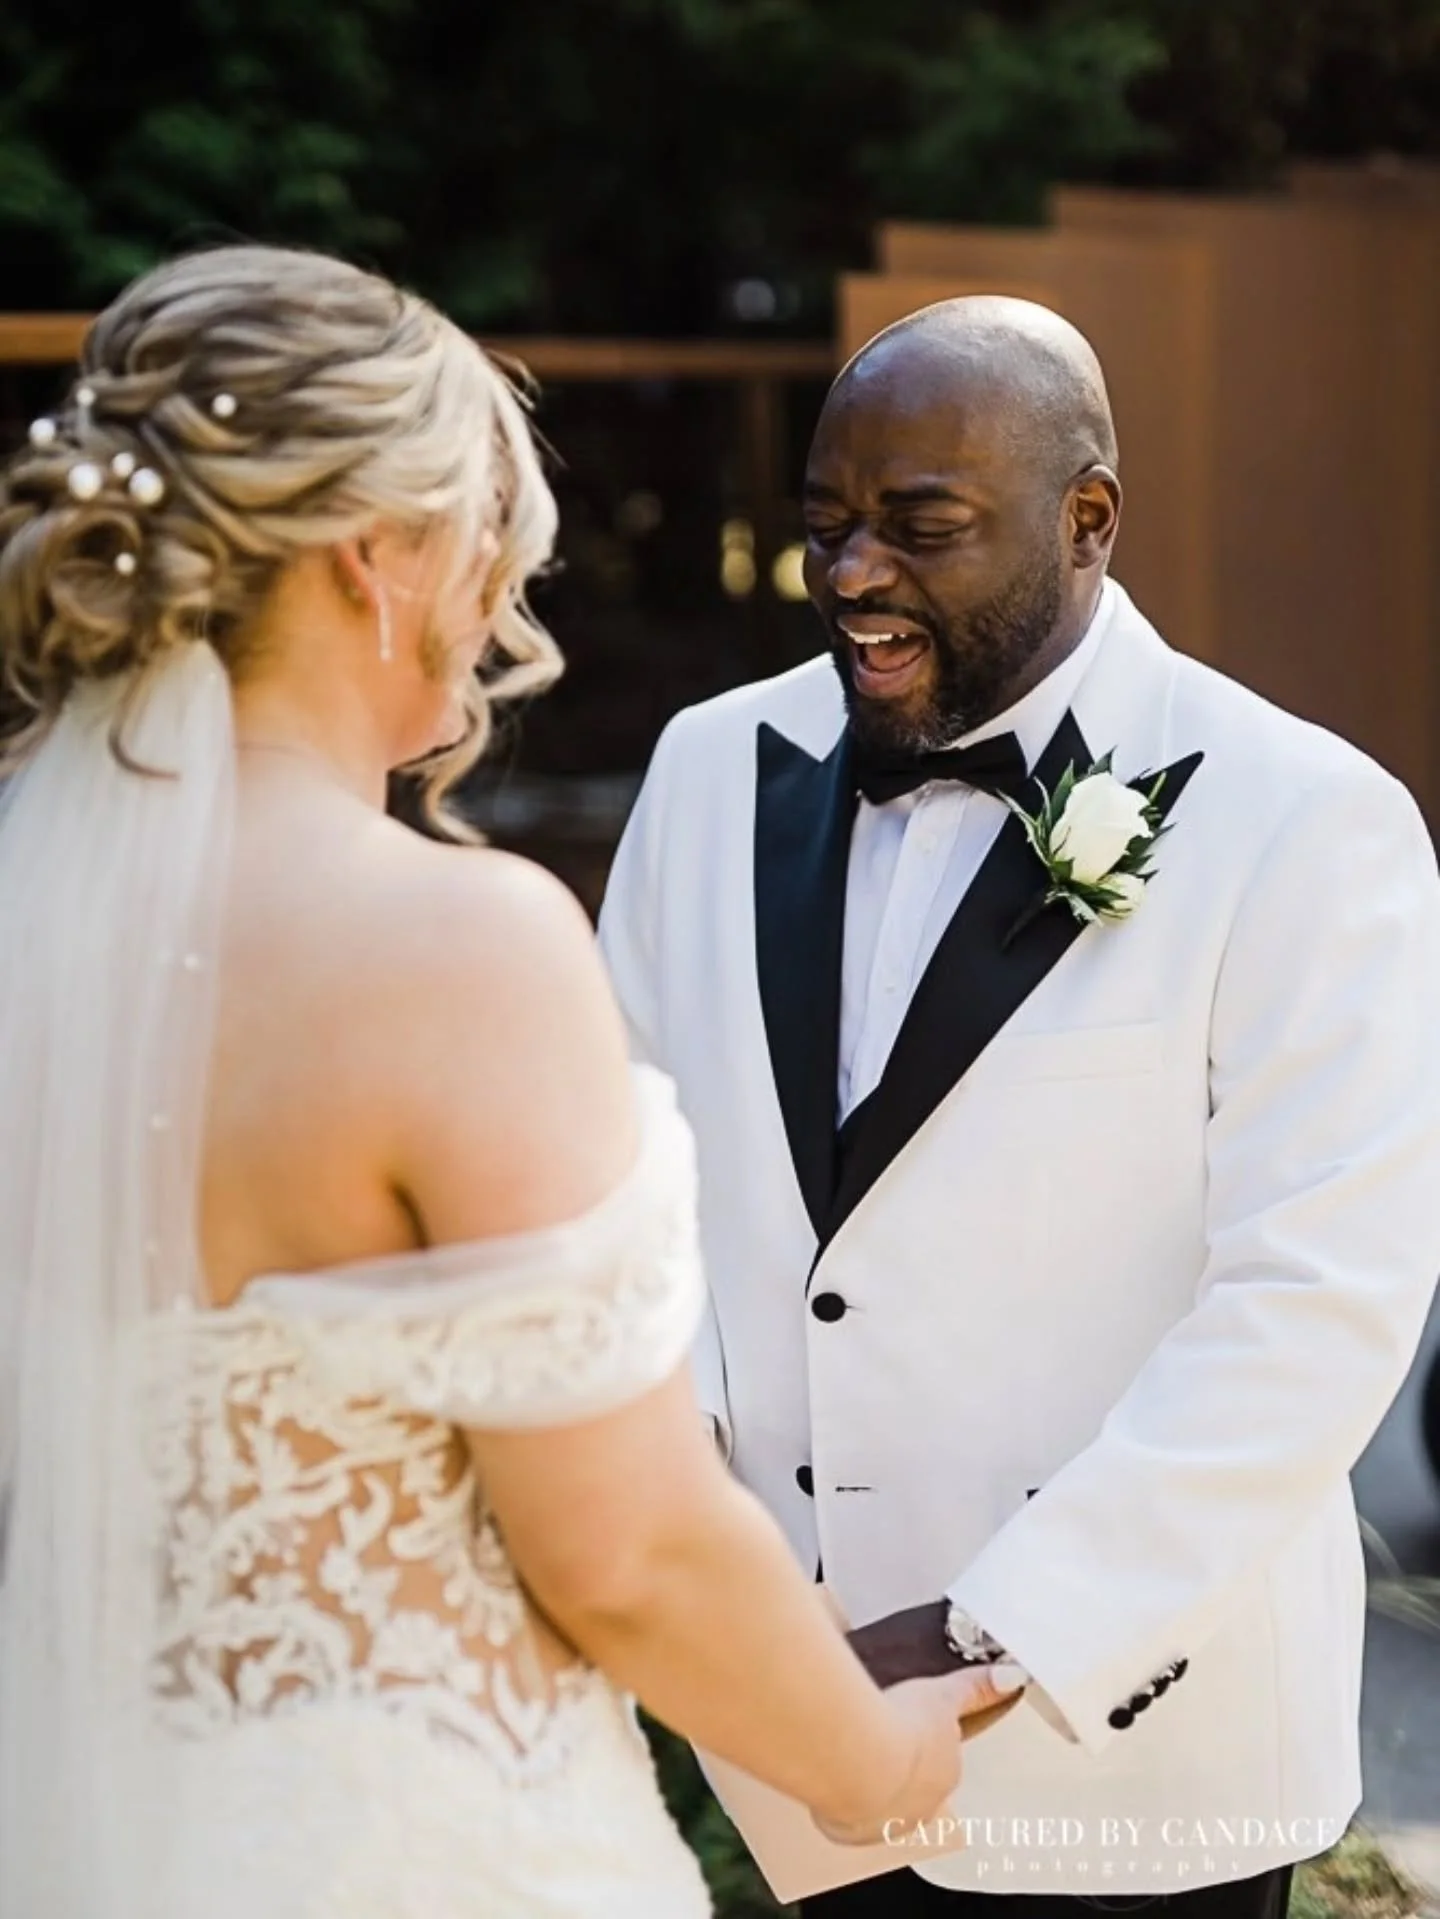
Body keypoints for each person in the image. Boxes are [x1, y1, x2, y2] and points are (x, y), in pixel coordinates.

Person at [0, 247, 1008, 1919]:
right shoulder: (449, 950)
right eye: (489, 551)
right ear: (374, 555)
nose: (504, 612)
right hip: (406, 1850)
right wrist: (873, 1761)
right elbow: (629, 1551)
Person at [598, 295, 1440, 1917]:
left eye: (921, 527)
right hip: (787, 1739)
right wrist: (712, 1579)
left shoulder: (1306, 820)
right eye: (827, 525)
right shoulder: (711, 768)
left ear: (1090, 522)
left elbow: (1317, 1305)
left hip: (1132, 1756)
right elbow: (640, 1179)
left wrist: (991, 1626)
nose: (852, 576)